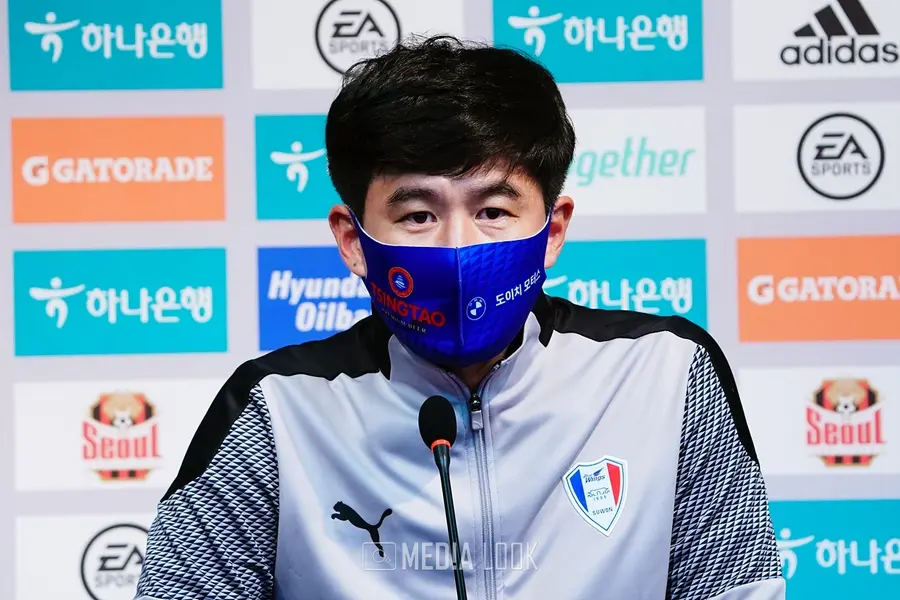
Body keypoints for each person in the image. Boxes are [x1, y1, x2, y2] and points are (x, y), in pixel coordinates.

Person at [134, 35, 785, 600]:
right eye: (418, 214)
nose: (457, 249)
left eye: (493, 212)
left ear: (553, 231)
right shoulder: (278, 410)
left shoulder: (666, 375)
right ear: (354, 241)